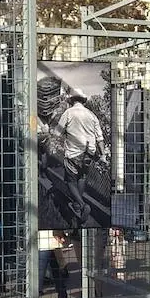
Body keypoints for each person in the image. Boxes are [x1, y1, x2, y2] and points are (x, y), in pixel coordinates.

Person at [56, 87, 106, 225]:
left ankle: (82, 205)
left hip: (73, 152)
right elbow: (100, 137)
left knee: (70, 180)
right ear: (83, 100)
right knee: (82, 177)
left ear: (71, 100)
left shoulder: (68, 113)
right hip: (89, 152)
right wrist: (102, 155)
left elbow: (57, 133)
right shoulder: (91, 115)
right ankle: (77, 207)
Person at [38, 230, 68, 298]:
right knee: (56, 269)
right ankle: (62, 295)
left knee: (40, 271)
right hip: (52, 240)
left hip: (44, 240)